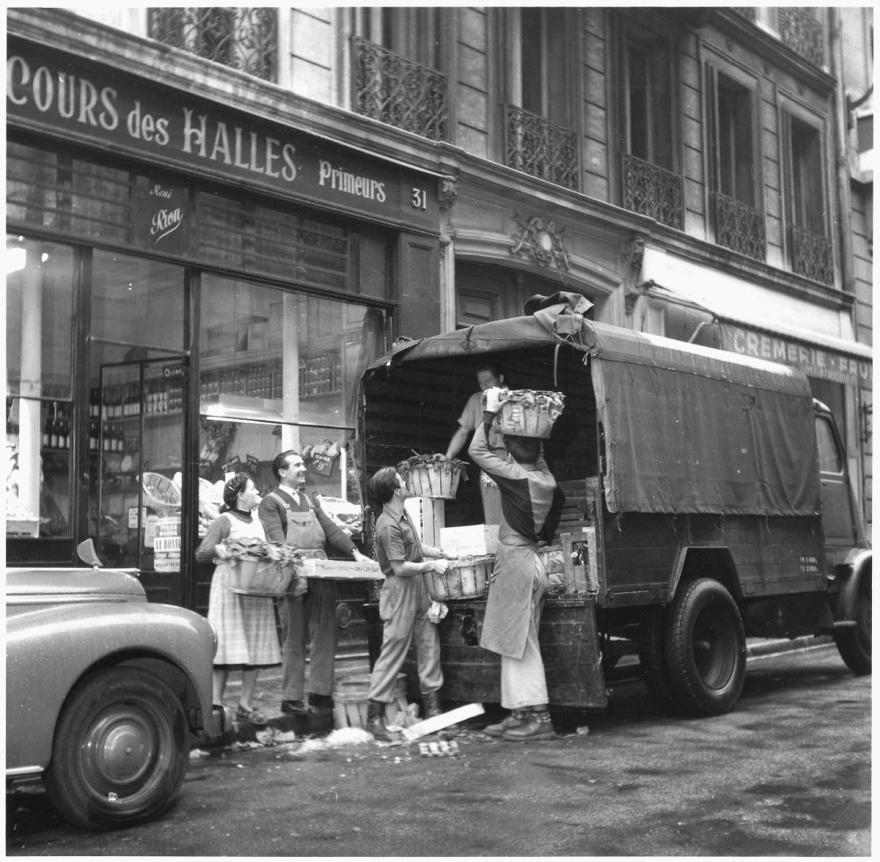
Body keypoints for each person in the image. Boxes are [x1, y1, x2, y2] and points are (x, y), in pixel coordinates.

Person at [468, 386, 563, 741]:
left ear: (511, 452)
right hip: (529, 561)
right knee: (515, 642)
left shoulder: (517, 477)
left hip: (517, 563)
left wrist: (490, 415)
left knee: (522, 645)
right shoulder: (544, 479)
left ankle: (538, 718)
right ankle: (518, 712)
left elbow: (477, 450)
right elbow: (535, 453)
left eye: (509, 447)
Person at [259, 449, 371, 717]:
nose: (303, 469)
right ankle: (291, 699)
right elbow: (275, 536)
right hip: (292, 574)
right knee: (294, 637)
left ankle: (321, 694)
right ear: (282, 472)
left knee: (325, 634)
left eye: (302, 464)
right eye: (296, 465)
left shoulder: (310, 500)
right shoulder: (270, 502)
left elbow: (330, 529)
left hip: (321, 573)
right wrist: (291, 561)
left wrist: (354, 553)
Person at [365, 466, 452, 740]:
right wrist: (431, 566)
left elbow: (413, 547)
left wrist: (437, 552)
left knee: (429, 645)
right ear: (394, 490)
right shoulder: (387, 524)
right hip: (400, 589)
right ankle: (375, 717)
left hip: (418, 589)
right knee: (393, 651)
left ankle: (434, 711)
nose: (405, 482)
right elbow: (400, 566)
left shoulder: (403, 513)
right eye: (401, 480)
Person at [195, 472, 280, 726]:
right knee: (226, 646)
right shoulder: (223, 521)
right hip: (228, 588)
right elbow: (202, 553)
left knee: (254, 646)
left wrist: (273, 553)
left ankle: (244, 704)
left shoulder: (259, 522)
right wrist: (219, 548)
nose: (257, 493)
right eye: (253, 489)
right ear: (241, 495)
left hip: (255, 587)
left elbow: (264, 550)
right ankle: (216, 704)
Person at [444, 364, 507, 525]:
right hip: (487, 461)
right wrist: (448, 457)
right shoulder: (475, 400)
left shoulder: (514, 398)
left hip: (512, 459)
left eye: (488, 380)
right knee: (493, 515)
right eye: (481, 382)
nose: (485, 385)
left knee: (514, 511)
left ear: (500, 378)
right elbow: (463, 430)